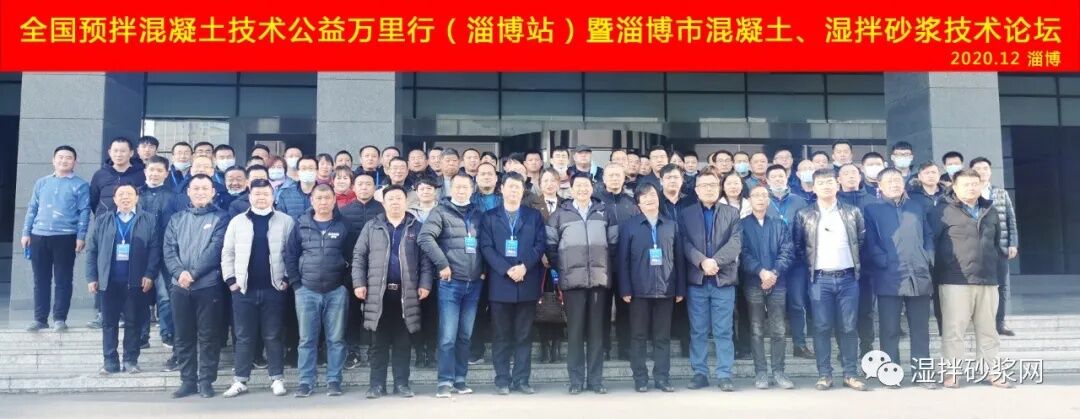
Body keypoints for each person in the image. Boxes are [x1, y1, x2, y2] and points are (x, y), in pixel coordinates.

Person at [929, 169, 1012, 389]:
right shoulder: (942, 211)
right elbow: (931, 244)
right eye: (966, 184)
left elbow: (995, 243)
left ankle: (991, 372)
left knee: (988, 330)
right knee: (954, 330)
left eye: (975, 184)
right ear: (955, 187)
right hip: (955, 280)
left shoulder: (990, 210)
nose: (971, 188)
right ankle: (952, 373)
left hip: (987, 280)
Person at [353, 185, 433, 399]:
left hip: (406, 294)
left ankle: (402, 384)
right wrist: (358, 283)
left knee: (403, 342)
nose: (395, 202)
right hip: (378, 294)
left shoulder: (416, 227)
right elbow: (359, 256)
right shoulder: (372, 226)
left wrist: (425, 284)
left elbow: (426, 260)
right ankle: (376, 385)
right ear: (384, 202)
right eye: (391, 199)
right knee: (378, 344)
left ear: (406, 202)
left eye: (399, 198)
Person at [792, 168, 867, 391]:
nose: (826, 186)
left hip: (848, 278)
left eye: (830, 182)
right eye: (821, 183)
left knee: (849, 327)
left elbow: (861, 241)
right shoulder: (804, 214)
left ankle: (850, 374)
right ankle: (824, 374)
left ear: (837, 185)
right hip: (819, 280)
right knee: (822, 327)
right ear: (813, 188)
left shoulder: (852, 212)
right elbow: (798, 246)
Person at [862, 169, 937, 389]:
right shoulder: (872, 209)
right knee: (890, 330)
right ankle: (890, 374)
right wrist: (881, 260)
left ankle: (922, 374)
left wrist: (928, 256)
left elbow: (928, 234)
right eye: (889, 181)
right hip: (889, 275)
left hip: (918, 273)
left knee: (920, 330)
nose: (894, 183)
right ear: (880, 186)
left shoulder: (916, 206)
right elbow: (870, 241)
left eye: (897, 180)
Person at [220, 179, 295, 398]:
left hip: (274, 288)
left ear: (273, 196)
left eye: (265, 194)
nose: (261, 197)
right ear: (250, 196)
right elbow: (227, 252)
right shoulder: (237, 222)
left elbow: (292, 253)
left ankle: (277, 378)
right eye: (257, 194)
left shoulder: (286, 221)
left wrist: (286, 279)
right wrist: (231, 280)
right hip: (244, 289)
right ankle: (240, 380)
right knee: (243, 336)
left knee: (273, 336)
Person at [545, 173, 618, 395]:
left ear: (592, 188)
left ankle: (596, 381)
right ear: (571, 189)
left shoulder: (604, 212)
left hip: (598, 281)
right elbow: (550, 246)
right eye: (578, 185)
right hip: (573, 282)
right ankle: (576, 380)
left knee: (596, 333)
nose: (582, 189)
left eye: (586, 185)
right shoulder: (560, 214)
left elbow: (614, 245)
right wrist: (564, 267)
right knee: (575, 334)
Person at [418, 173, 486, 398]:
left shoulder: (478, 214)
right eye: (457, 186)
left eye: (465, 187)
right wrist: (443, 264)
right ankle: (444, 381)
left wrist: (484, 269)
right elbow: (425, 238)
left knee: (465, 336)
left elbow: (486, 243)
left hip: (473, 283)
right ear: (450, 188)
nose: (461, 190)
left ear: (472, 189)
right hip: (450, 283)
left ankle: (460, 380)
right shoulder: (440, 212)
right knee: (448, 336)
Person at [479, 173, 546, 395]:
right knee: (501, 335)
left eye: (518, 187)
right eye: (510, 187)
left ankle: (522, 380)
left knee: (524, 335)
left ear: (523, 190)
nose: (514, 191)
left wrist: (524, 266)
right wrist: (507, 269)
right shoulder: (489, 217)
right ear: (502, 189)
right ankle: (502, 380)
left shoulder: (534, 216)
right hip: (500, 283)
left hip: (527, 281)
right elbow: (486, 247)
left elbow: (540, 245)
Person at [163, 174, 230, 398]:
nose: (200, 192)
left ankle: (206, 381)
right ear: (188, 192)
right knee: (183, 336)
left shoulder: (221, 217)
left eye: (205, 188)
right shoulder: (177, 219)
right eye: (196, 188)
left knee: (209, 336)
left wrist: (193, 273)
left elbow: (215, 250)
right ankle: (188, 381)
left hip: (208, 285)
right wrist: (179, 273)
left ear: (213, 192)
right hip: (180, 286)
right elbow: (169, 250)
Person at [284, 184, 351, 398]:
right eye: (319, 198)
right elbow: (290, 255)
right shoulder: (301, 224)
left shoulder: (344, 225)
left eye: (327, 198)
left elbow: (354, 257)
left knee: (336, 339)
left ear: (334, 200)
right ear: (311, 200)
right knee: (306, 340)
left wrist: (345, 285)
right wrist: (296, 284)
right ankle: (306, 381)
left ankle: (334, 380)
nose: (323, 202)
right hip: (306, 290)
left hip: (336, 290)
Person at [86, 183, 159, 375]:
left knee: (134, 322)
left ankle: (130, 361)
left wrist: (150, 274)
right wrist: (92, 277)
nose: (125, 197)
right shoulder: (103, 220)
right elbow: (92, 250)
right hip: (108, 281)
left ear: (137, 198)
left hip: (136, 281)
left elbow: (154, 249)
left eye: (129, 194)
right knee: (109, 323)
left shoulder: (148, 219)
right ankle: (110, 362)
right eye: (121, 194)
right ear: (115, 199)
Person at [617, 182, 684, 393]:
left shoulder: (671, 225)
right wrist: (625, 288)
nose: (649, 199)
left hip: (666, 289)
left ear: (658, 198)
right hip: (638, 291)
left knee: (662, 337)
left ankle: (662, 378)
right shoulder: (629, 226)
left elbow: (679, 259)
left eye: (652, 195)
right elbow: (622, 260)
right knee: (638, 336)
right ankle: (640, 378)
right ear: (638, 202)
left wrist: (680, 289)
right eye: (644, 196)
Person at [679, 171, 742, 392]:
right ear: (696, 190)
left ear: (719, 188)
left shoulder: (731, 213)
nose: (708, 189)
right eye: (704, 185)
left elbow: (735, 243)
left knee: (723, 330)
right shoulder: (686, 214)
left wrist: (715, 261)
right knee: (698, 330)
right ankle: (700, 373)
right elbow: (684, 242)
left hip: (722, 280)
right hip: (697, 281)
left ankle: (724, 374)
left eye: (713, 185)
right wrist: (701, 261)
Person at [23, 146, 91, 332]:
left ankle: (60, 318)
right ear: (53, 160)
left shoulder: (81, 185)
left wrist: (81, 236)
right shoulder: (42, 182)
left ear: (75, 162)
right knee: (40, 280)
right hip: (39, 235)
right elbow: (32, 208)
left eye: (68, 158)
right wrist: (26, 232)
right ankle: (40, 319)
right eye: (60, 157)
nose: (64, 160)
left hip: (66, 237)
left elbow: (84, 212)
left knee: (63, 279)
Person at [741, 184, 796, 389]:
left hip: (778, 282)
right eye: (756, 195)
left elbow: (787, 251)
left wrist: (774, 272)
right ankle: (761, 373)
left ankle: (779, 371)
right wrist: (760, 271)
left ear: (769, 200)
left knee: (779, 329)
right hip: (753, 282)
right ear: (749, 200)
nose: (760, 199)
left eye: (764, 195)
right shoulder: (742, 225)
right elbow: (742, 253)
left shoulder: (779, 224)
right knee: (756, 329)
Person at [763, 165, 813, 360]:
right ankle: (775, 347)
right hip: (771, 263)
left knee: (798, 303)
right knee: (773, 306)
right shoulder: (762, 200)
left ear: (787, 178)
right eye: (774, 176)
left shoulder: (799, 201)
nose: (778, 179)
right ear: (767, 180)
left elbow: (807, 229)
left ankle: (800, 344)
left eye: (781, 176)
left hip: (796, 262)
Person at [136, 156, 181, 365]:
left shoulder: (174, 197)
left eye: (159, 170)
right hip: (139, 253)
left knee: (165, 296)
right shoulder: (136, 194)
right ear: (145, 171)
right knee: (140, 295)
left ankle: (167, 333)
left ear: (166, 173)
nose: (154, 174)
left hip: (165, 253)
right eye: (151, 170)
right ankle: (141, 335)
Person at [339, 173, 385, 370]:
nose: (364, 187)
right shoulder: (343, 211)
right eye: (360, 184)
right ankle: (353, 350)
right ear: (353, 188)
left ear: (374, 188)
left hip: (379, 269)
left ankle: (378, 349)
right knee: (351, 312)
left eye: (368, 184)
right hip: (352, 269)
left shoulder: (382, 209)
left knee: (378, 310)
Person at [970, 157, 1019, 336]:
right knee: (976, 286)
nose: (982, 171)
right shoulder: (968, 192)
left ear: (990, 171)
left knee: (1002, 286)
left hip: (999, 247)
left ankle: (1000, 322)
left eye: (985, 168)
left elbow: (1011, 219)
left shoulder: (1000, 193)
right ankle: (978, 322)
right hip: (976, 248)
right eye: (978, 168)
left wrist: (1013, 243)